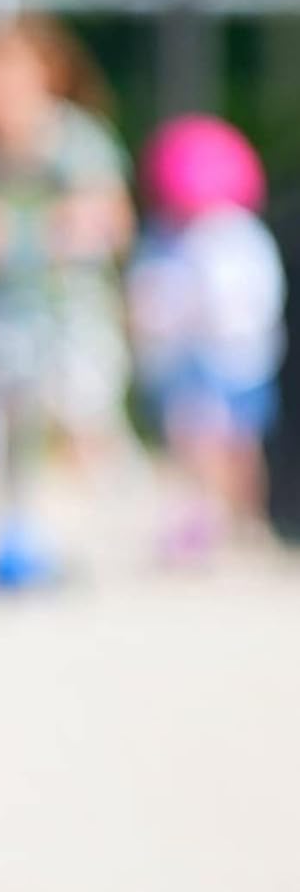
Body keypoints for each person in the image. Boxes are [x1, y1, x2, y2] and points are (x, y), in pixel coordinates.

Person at [0, 16, 134, 585]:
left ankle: (120, 527)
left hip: (70, 309)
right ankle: (13, 535)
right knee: (2, 425)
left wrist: (15, 234)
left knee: (84, 414)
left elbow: (109, 221)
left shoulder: (74, 141)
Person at [128, 115, 286, 562]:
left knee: (237, 444)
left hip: (233, 357)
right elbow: (153, 292)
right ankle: (205, 519)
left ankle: (244, 519)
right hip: (185, 358)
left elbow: (250, 298)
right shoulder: (166, 235)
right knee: (195, 442)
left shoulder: (235, 234)